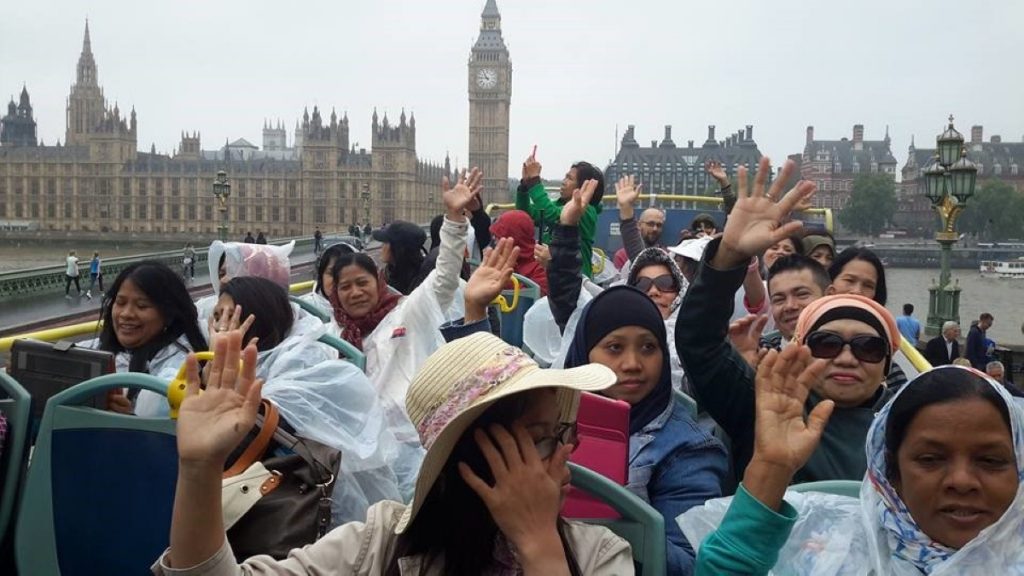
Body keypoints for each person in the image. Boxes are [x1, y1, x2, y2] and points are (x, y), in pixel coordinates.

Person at [153, 330, 633, 575]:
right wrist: (199, 471)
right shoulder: (380, 543)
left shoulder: (597, 556)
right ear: (471, 458)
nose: (566, 454)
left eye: (563, 432)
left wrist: (540, 548)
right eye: (542, 438)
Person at [677, 157, 902, 484]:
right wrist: (729, 255)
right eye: (827, 343)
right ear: (801, 348)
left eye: (868, 347)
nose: (846, 357)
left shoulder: (905, 425)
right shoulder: (766, 405)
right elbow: (699, 343)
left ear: (886, 363)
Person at [689, 362, 1024, 575]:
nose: (962, 481)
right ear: (890, 474)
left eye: (991, 461)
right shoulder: (834, 558)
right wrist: (772, 467)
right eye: (931, 459)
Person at [211, 276, 418, 525]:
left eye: (232, 315)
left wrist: (221, 369)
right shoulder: (207, 368)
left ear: (262, 316)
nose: (222, 326)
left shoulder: (306, 366)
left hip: (314, 514)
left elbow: (246, 437)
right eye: (217, 316)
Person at [562, 286, 728, 574]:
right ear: (584, 351)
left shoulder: (689, 449)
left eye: (648, 347)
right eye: (615, 347)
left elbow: (691, 565)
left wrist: (621, 514)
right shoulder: (549, 414)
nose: (633, 364)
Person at [328, 170, 480, 441]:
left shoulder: (406, 312)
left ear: (378, 282)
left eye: (362, 283)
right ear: (335, 293)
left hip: (413, 439)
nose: (355, 293)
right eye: (345, 287)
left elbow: (444, 277)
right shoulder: (330, 337)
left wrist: (455, 219)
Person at [92, 261, 208, 417]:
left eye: (142, 306)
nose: (126, 314)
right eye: (120, 303)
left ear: (168, 314)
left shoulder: (180, 368)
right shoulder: (97, 349)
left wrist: (129, 419)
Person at [516, 148, 605, 278]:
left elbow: (554, 216)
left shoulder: (586, 211)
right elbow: (527, 215)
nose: (563, 182)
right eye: (565, 177)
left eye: (569, 178)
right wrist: (524, 185)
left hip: (575, 280)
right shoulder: (558, 205)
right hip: (550, 277)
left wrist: (535, 181)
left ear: (583, 187)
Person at [489, 209, 549, 296]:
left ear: (514, 239)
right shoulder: (495, 262)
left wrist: (506, 279)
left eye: (499, 237)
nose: (495, 241)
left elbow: (533, 299)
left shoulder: (540, 267)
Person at [611, 174, 665, 270]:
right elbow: (638, 255)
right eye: (650, 224)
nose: (655, 228)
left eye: (659, 225)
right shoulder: (622, 255)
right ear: (639, 225)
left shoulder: (666, 255)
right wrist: (626, 208)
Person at [373, 221, 428, 296]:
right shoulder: (388, 273)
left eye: (385, 242)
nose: (381, 247)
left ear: (398, 248)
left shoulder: (419, 282)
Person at [303, 242, 358, 316]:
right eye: (332, 273)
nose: (338, 280)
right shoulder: (303, 309)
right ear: (321, 275)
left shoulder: (366, 309)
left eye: (346, 274)